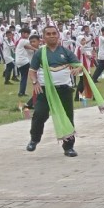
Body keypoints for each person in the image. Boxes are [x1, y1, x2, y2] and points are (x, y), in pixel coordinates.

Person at [26, 25, 80, 157]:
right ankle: (34, 139)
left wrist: (77, 70)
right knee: (39, 114)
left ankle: (68, 147)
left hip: (64, 90)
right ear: (43, 37)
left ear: (58, 35)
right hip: (45, 91)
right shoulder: (40, 53)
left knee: (67, 117)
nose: (51, 36)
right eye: (48, 34)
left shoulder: (66, 51)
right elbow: (32, 71)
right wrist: (35, 82)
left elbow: (79, 66)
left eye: (54, 33)